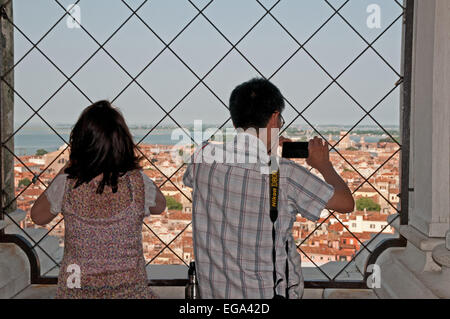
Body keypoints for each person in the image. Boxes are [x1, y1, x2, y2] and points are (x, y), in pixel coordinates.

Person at [183, 78, 354, 299]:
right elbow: (346, 203)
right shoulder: (286, 174)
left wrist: (267, 149)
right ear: (274, 117)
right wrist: (324, 165)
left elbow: (234, 178)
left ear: (235, 122)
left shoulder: (202, 158)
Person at [30, 100, 166, 299]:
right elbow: (160, 206)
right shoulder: (137, 183)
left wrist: (69, 166)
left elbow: (37, 217)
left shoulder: (66, 184)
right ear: (123, 142)